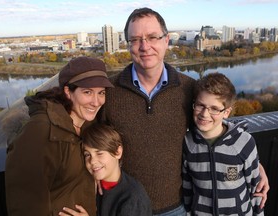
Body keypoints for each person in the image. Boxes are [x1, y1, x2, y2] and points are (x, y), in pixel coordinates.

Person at [100, 7, 269, 215]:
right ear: (128, 45)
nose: (145, 46)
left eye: (152, 37)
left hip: (177, 208)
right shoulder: (108, 92)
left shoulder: (189, 88)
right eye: (135, 40)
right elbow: (90, 141)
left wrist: (254, 165)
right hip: (126, 207)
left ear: (166, 40)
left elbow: (215, 126)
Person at [5, 56, 114, 216]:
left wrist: (99, 173)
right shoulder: (38, 132)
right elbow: (25, 206)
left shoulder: (88, 125)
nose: (96, 102)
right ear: (68, 92)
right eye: (87, 92)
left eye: (101, 93)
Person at [182, 73, 264, 215]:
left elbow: (255, 189)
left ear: (226, 112)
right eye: (200, 105)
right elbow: (187, 188)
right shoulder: (188, 143)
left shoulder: (244, 143)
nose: (205, 114)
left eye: (214, 108)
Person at [59, 123, 152, 216]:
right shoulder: (92, 186)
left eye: (99, 153)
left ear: (117, 152)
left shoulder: (133, 197)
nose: (92, 161)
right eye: (87, 154)